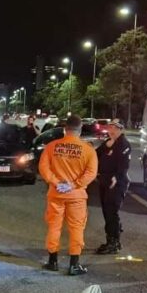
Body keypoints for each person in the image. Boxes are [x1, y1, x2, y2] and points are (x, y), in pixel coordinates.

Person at [38, 114, 98, 275]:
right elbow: (91, 173)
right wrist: (75, 184)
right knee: (76, 227)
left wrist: (56, 182)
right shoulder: (88, 149)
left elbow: (44, 169)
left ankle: (53, 261)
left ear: (65, 129)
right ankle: (74, 264)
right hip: (76, 196)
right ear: (80, 130)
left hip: (56, 194)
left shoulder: (52, 146)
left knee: (54, 226)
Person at [95, 119, 131, 254]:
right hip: (104, 181)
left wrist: (116, 177)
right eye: (110, 127)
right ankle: (111, 238)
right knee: (106, 211)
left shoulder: (123, 144)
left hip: (116, 183)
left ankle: (114, 242)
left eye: (115, 128)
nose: (111, 130)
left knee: (111, 212)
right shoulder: (107, 142)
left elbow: (123, 166)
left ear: (120, 129)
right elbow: (95, 154)